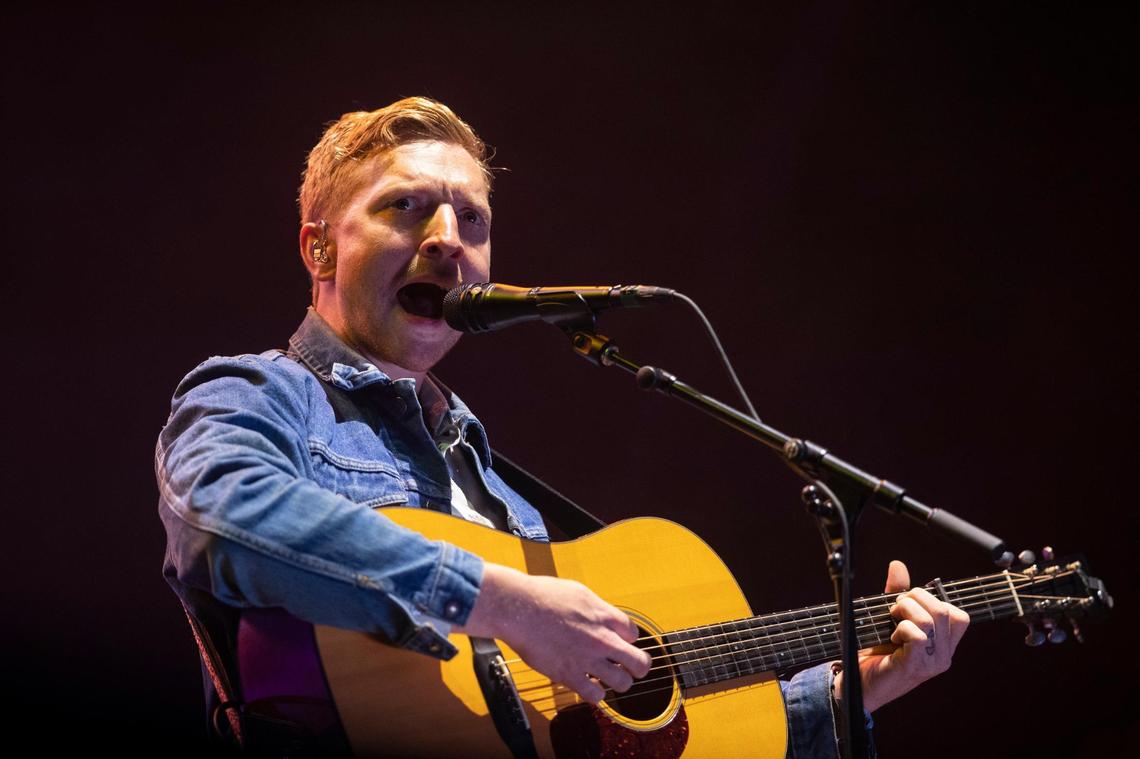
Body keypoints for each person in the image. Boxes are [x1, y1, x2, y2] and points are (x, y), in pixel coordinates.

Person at [156, 96, 969, 757]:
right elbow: (219, 517)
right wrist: (500, 600)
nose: (446, 240)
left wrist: (852, 687)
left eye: (470, 220)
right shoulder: (264, 392)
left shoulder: (507, 503)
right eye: (404, 209)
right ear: (321, 250)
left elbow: (640, 732)